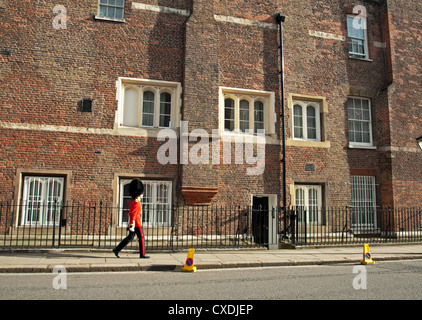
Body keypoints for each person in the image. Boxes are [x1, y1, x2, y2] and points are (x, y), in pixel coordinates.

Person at [113, 179, 150, 259]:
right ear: (139, 194)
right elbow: (133, 214)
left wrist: (129, 223)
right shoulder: (137, 202)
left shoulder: (133, 201)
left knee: (130, 238)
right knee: (141, 237)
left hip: (133, 223)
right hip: (137, 223)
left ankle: (117, 249)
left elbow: (130, 213)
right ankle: (143, 254)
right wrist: (132, 225)